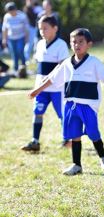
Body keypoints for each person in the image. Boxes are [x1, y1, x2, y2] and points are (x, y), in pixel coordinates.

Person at [28, 28, 104, 175]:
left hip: (88, 105)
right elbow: (52, 80)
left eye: (81, 42)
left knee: (93, 133)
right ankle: (76, 165)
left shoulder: (94, 62)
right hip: (70, 105)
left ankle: (103, 157)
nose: (77, 45)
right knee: (74, 135)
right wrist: (37, 90)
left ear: (89, 44)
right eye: (74, 42)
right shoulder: (66, 63)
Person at [21, 15, 69, 152]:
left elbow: (61, 66)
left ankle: (68, 139)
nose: (42, 31)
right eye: (40, 29)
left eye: (45, 28)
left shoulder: (61, 45)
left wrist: (49, 78)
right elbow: (39, 65)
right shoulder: (40, 44)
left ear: (55, 28)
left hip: (57, 88)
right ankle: (35, 141)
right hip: (41, 89)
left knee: (62, 114)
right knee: (38, 112)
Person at [2, 2, 29, 77]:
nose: (11, 13)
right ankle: (16, 70)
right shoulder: (7, 17)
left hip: (20, 37)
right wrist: (4, 39)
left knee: (20, 51)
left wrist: (27, 38)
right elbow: (5, 28)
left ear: (15, 9)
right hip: (11, 38)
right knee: (14, 54)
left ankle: (23, 68)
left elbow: (26, 28)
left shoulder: (22, 16)